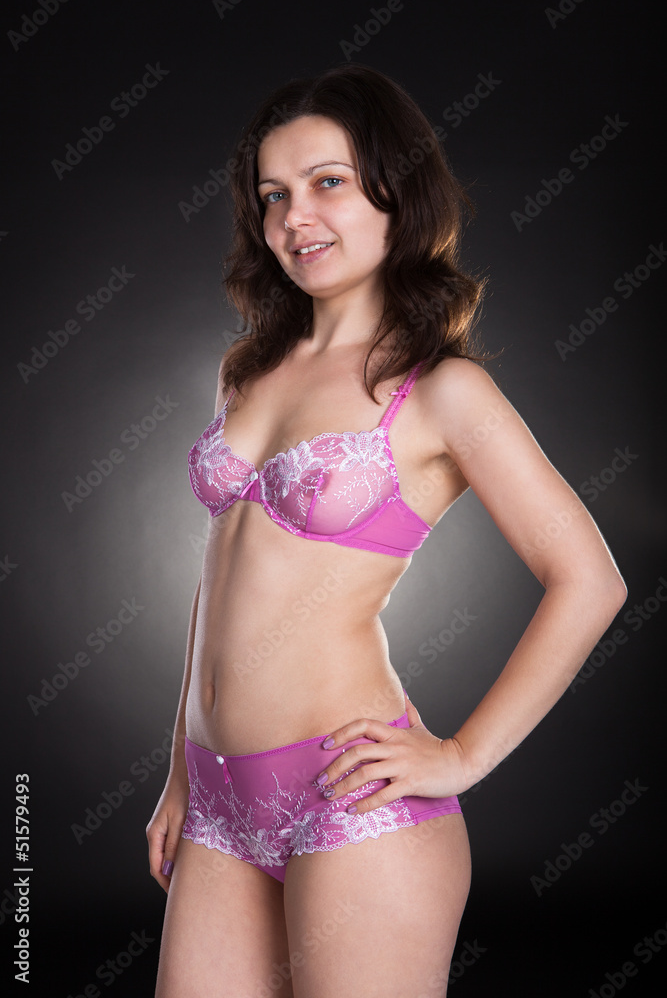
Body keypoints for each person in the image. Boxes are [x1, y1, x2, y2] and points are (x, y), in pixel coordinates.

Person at [147, 63, 627, 997]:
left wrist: (462, 756)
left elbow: (588, 579)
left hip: (352, 802)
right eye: (273, 195)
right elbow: (223, 578)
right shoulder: (245, 371)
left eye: (326, 182)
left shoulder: (443, 392)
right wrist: (178, 772)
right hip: (216, 801)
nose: (295, 217)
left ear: (394, 192)